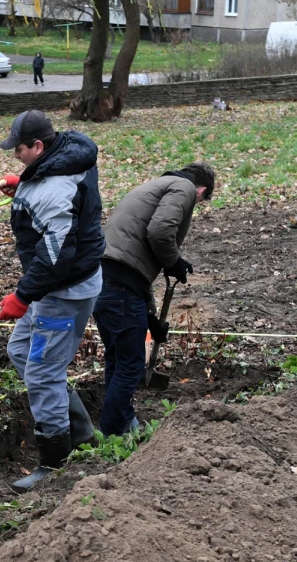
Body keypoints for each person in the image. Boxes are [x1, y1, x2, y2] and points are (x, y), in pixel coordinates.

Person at [0, 110, 103, 493]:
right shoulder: (68, 154)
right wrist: (23, 182)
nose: (16, 156)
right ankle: (82, 431)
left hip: (62, 293)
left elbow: (56, 255)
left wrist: (22, 296)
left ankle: (55, 463)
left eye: (20, 151)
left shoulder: (56, 188)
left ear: (38, 146)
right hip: (63, 286)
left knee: (42, 372)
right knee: (22, 349)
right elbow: (50, 185)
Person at [94, 162, 216, 436]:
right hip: (120, 286)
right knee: (130, 365)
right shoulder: (184, 188)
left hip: (103, 280)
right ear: (202, 191)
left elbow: (132, 266)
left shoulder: (154, 187)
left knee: (118, 359)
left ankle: (126, 427)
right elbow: (160, 231)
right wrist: (174, 262)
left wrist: (151, 318)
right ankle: (113, 434)